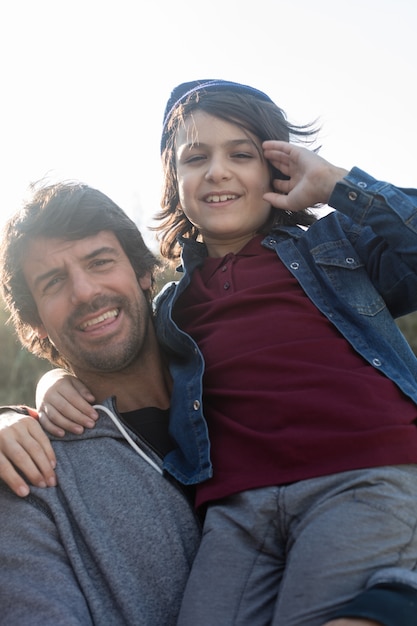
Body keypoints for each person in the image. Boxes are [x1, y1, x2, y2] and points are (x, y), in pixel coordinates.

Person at [2, 79, 417, 626]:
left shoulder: (332, 251)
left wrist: (339, 185)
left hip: (357, 471)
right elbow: (108, 345)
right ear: (175, 182)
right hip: (240, 507)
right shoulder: (179, 309)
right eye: (196, 157)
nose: (218, 171)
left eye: (241, 154)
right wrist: (41, 391)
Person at [0, 181, 201, 625]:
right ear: (36, 324)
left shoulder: (247, 386)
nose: (85, 292)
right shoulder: (30, 476)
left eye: (100, 261)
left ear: (143, 272)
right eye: (53, 282)